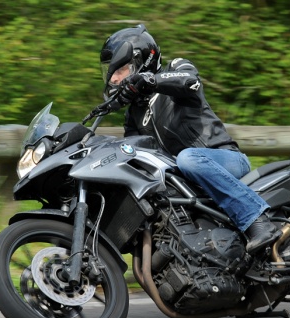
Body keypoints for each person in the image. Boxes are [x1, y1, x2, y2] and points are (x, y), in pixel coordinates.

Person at [100, 24, 279, 252]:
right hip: (185, 182)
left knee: (188, 158)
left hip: (225, 160)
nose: (113, 79)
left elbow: (188, 81)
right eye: (111, 72)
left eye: (119, 71)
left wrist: (151, 81)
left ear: (139, 61)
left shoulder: (176, 68)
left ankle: (257, 221)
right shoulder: (133, 115)